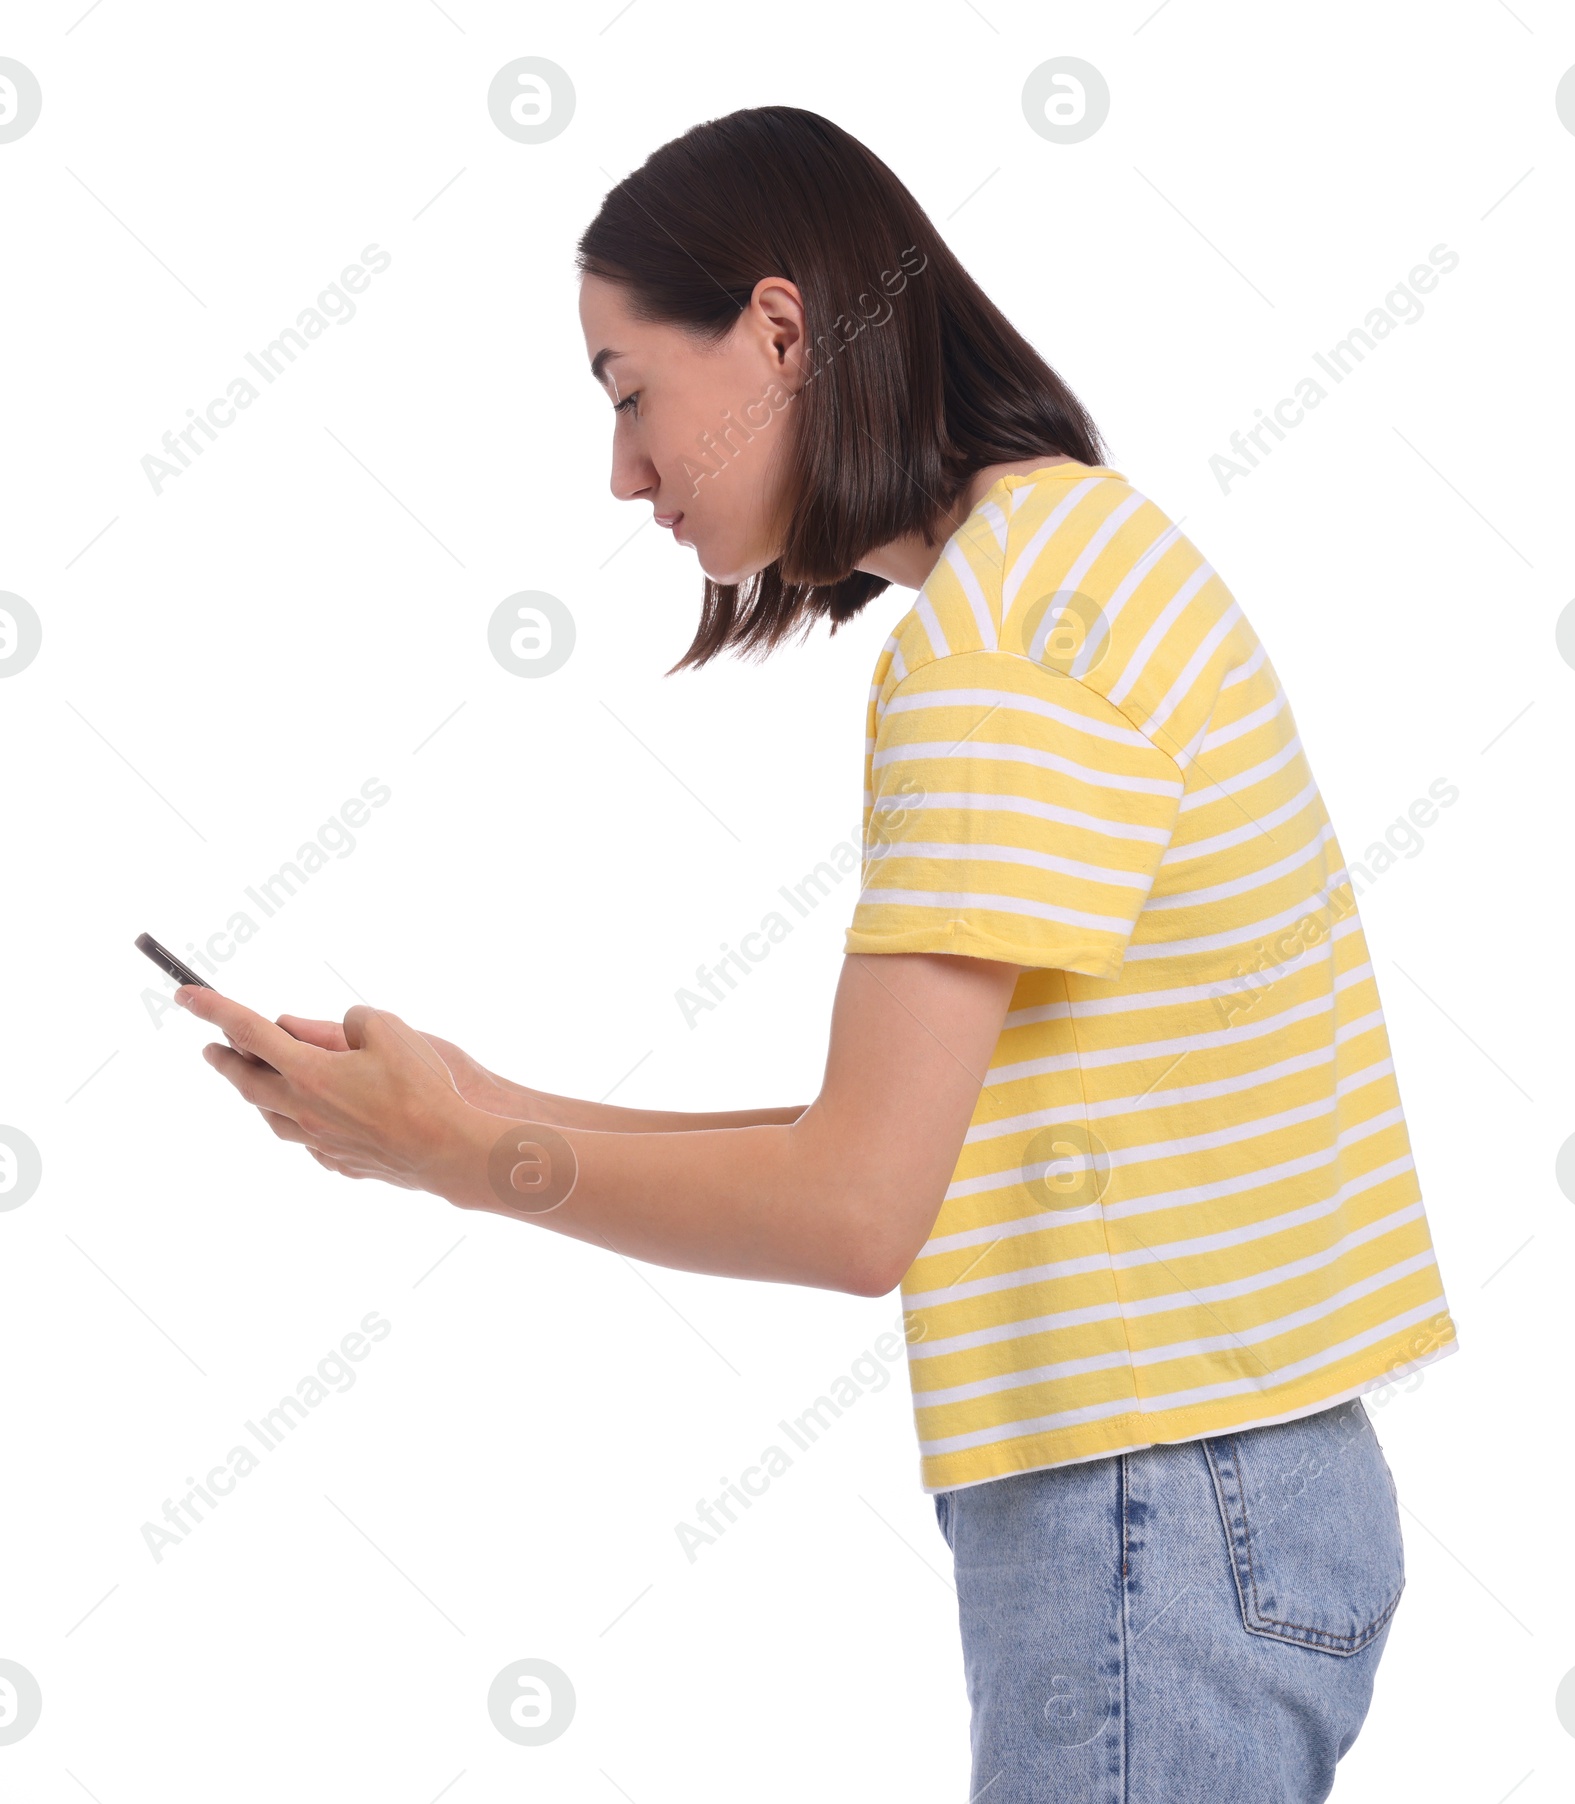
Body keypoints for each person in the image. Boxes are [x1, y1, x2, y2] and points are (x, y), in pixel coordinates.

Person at [180, 106, 1459, 1803]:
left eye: (629, 392)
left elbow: (861, 1216)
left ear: (779, 329)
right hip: (1218, 1494)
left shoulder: (998, 650)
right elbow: (906, 1140)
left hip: (1152, 1507)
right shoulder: (1069, 565)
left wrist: (467, 1160)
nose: (621, 473)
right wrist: (483, 1110)